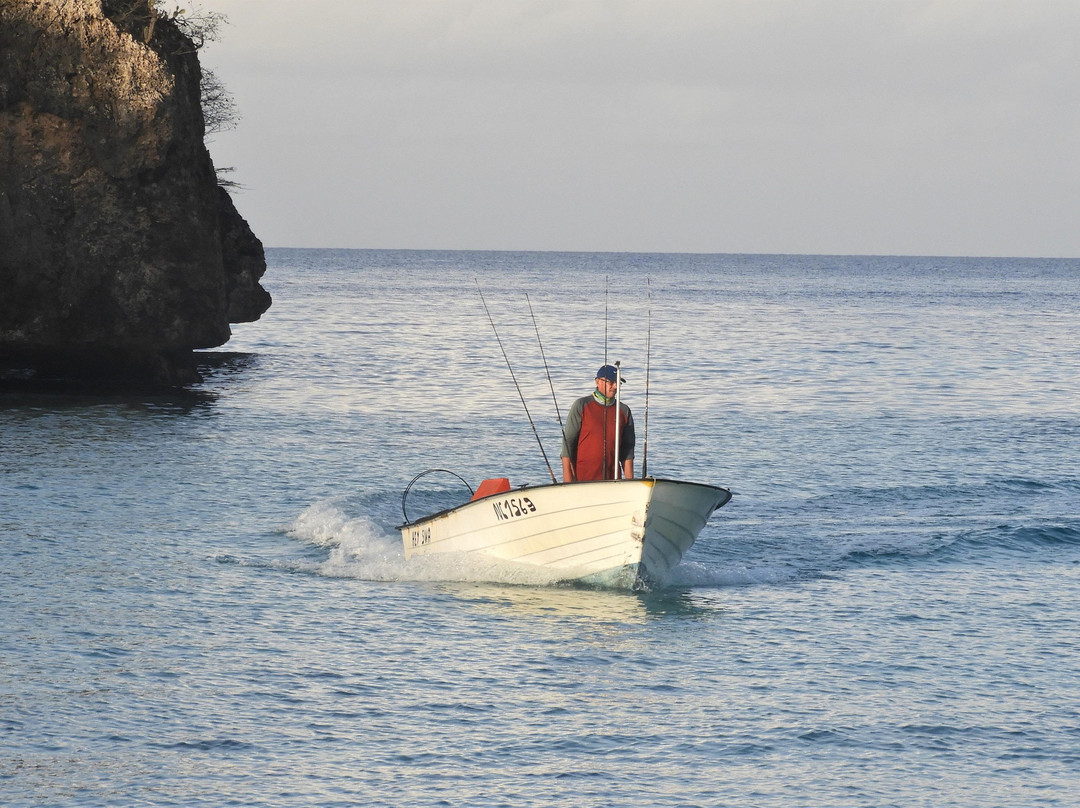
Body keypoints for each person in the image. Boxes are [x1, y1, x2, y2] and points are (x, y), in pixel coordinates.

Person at [560, 364, 635, 482]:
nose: (615, 386)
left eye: (618, 383)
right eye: (611, 382)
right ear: (597, 381)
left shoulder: (624, 411)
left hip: (613, 482)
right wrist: (567, 484)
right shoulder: (581, 405)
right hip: (582, 481)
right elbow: (567, 446)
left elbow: (628, 452)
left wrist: (630, 483)